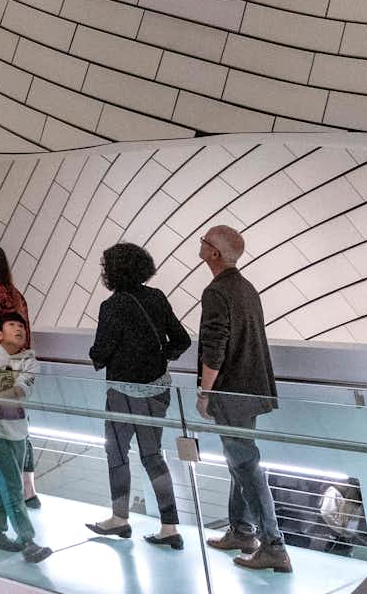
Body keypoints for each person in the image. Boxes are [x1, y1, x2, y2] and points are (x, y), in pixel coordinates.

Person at [86, 241, 193, 549]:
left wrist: (101, 356)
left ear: (114, 271)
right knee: (153, 456)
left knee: (117, 453)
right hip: (158, 389)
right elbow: (182, 340)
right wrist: (159, 357)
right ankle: (170, 525)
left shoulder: (112, 306)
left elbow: (100, 353)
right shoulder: (157, 298)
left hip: (122, 392)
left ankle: (119, 519)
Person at [197, 224, 290, 573]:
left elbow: (214, 346)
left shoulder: (216, 292)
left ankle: (273, 545)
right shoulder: (247, 288)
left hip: (231, 391)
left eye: (205, 242)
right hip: (253, 388)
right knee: (240, 459)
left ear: (215, 254)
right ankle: (241, 530)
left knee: (245, 464)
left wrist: (205, 392)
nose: (201, 245)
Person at [0, 312, 50, 562]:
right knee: (13, 485)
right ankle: (27, 540)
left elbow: (22, 389)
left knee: (4, 483)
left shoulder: (29, 361)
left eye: (21, 326)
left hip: (18, 431)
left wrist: (0, 393)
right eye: (12, 325)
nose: (18, 329)